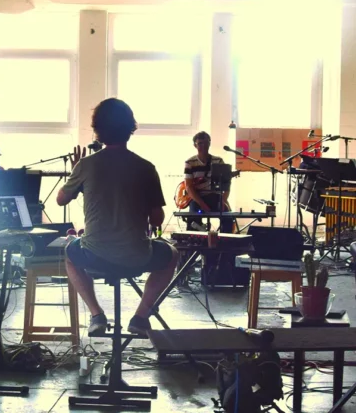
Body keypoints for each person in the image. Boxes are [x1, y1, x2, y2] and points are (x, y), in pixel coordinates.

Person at [57, 98, 180, 337]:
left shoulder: (85, 165)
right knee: (172, 255)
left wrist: (76, 173)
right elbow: (157, 219)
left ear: (98, 130)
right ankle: (140, 317)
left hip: (94, 255)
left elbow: (61, 199)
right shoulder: (146, 167)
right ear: (130, 129)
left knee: (69, 253)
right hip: (137, 256)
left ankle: (96, 315)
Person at [183, 131, 234, 233]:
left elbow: (226, 184)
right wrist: (201, 203)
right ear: (195, 145)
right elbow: (188, 187)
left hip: (215, 196)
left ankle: (225, 243)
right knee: (193, 220)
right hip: (198, 198)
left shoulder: (218, 161)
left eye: (206, 143)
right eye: (200, 143)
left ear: (209, 143)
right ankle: (195, 244)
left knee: (228, 218)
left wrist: (224, 200)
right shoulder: (189, 163)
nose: (203, 146)